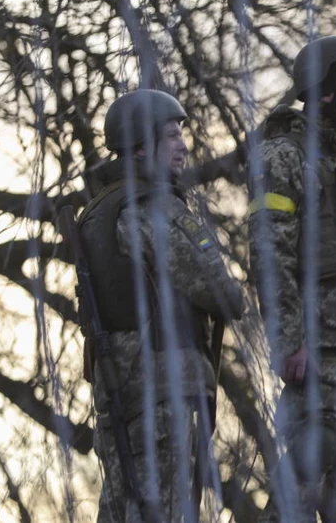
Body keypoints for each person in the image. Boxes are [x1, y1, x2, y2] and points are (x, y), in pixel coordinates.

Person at [79, 88, 245, 523]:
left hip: (117, 385)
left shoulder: (97, 209)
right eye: (171, 136)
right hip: (160, 383)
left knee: (121, 508)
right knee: (165, 510)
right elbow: (215, 288)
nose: (182, 146)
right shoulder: (153, 206)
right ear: (139, 146)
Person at [248, 36, 336, 522]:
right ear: (325, 91)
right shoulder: (284, 156)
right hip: (320, 337)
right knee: (315, 452)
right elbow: (270, 252)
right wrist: (289, 338)